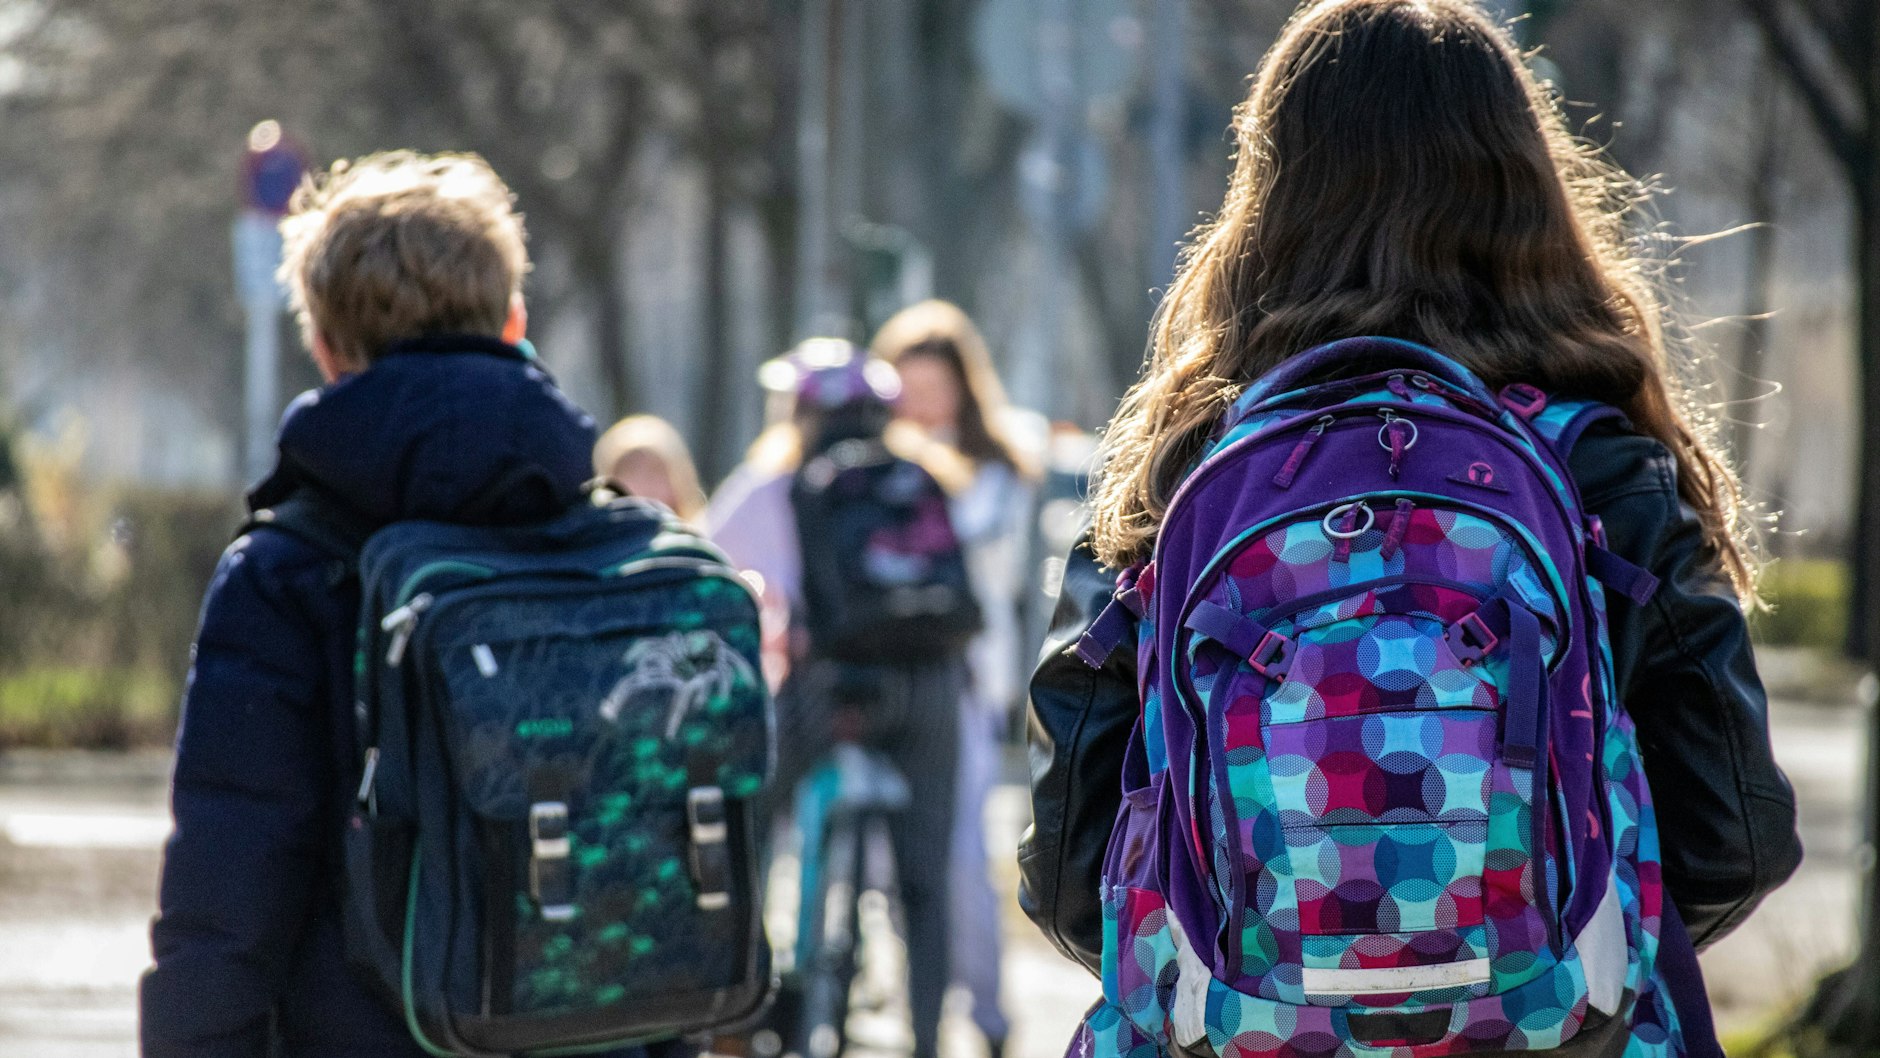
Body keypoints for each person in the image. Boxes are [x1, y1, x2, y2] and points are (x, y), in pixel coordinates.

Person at [1020, 3, 1802, 1057]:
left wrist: (1276, 980)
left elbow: (1071, 868)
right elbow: (1735, 837)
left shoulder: (1188, 461)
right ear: (1524, 187)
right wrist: (1558, 955)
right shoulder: (1602, 463)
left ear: (1267, 190)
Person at [138, 151, 662, 1058]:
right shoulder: (619, 552)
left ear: (325, 348)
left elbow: (230, 875)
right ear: (514, 320)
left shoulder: (285, 569)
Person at [707, 340, 968, 1058]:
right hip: (928, 687)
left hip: (826, 684)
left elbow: (717, 570)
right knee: (924, 879)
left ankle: (741, 1007)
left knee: (749, 830)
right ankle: (927, 1035)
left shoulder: (773, 486)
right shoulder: (924, 476)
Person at [872, 301, 1036, 1058]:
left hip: (960, 683)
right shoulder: (867, 467)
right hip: (881, 677)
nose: (922, 402)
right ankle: (911, 999)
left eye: (934, 384)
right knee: (883, 857)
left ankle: (990, 1011)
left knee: (960, 857)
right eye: (908, 386)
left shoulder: (998, 469)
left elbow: (979, 570)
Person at [594, 413, 708, 521]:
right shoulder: (592, 538)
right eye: (631, 470)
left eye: (655, 471)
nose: (645, 485)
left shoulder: (697, 538)